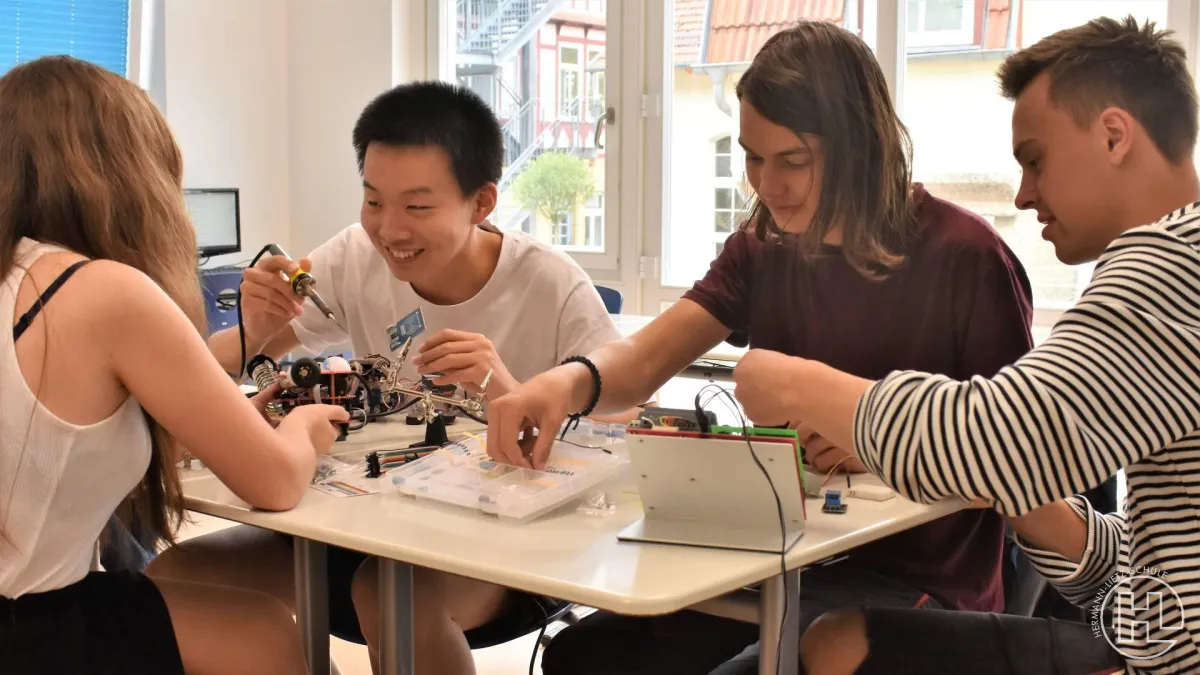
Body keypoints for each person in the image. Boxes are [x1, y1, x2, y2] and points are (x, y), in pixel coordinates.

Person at [486, 21, 1036, 675]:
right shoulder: (762, 246)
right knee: (588, 655)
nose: (765, 185)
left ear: (859, 144)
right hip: (778, 555)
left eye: (792, 161)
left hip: (920, 581)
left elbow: (1024, 464)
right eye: (751, 157)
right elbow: (641, 361)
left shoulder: (966, 257)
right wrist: (563, 384)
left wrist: (883, 442)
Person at [727, 15, 1200, 675]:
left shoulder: (1171, 269)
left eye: (1036, 159)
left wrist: (799, 385)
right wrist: (1041, 511)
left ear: (1115, 135)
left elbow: (997, 436)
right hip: (1147, 638)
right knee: (827, 640)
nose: (1024, 192)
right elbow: (1158, 575)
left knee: (829, 647)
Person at [147, 81, 635, 675]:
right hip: (368, 524)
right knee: (174, 579)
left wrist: (510, 390)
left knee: (390, 593)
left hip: (508, 543)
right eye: (374, 201)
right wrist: (251, 327)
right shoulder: (353, 256)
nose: (390, 231)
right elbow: (217, 364)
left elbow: (626, 428)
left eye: (418, 207)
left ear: (482, 203)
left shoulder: (550, 284)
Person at [0, 56, 348, 675]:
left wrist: (251, 341)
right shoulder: (102, 289)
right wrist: (304, 430)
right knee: (262, 629)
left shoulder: (23, 277)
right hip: (30, 625)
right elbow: (273, 481)